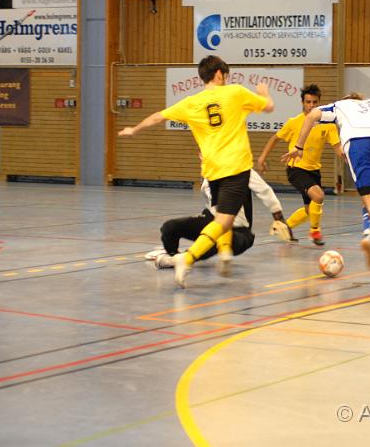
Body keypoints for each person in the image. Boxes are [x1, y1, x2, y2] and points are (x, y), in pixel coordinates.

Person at [118, 55, 274, 288]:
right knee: (223, 222)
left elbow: (157, 116)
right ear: (220, 74)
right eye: (225, 74)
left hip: (212, 171)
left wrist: (135, 129)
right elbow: (269, 107)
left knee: (222, 217)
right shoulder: (235, 93)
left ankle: (222, 253)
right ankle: (187, 258)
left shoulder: (191, 102)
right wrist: (264, 93)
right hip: (235, 167)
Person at [281, 64, 370, 282]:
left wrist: (299, 147)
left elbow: (312, 115)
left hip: (360, 142)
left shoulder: (339, 105)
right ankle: (368, 234)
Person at [151, 170, 292, 270]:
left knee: (214, 242)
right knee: (170, 227)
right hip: (212, 222)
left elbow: (264, 190)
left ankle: (182, 259)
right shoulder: (208, 173)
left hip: (239, 232)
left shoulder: (241, 170)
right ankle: (172, 257)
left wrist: (278, 217)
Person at [257, 84, 343, 246]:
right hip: (295, 169)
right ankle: (315, 232)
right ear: (302, 102)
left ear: (319, 103)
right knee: (318, 196)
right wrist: (262, 158)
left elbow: (337, 147)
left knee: (310, 210)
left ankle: (284, 227)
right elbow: (274, 139)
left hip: (314, 171)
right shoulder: (294, 122)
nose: (311, 106)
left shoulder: (328, 125)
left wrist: (348, 156)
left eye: (314, 102)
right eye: (308, 102)